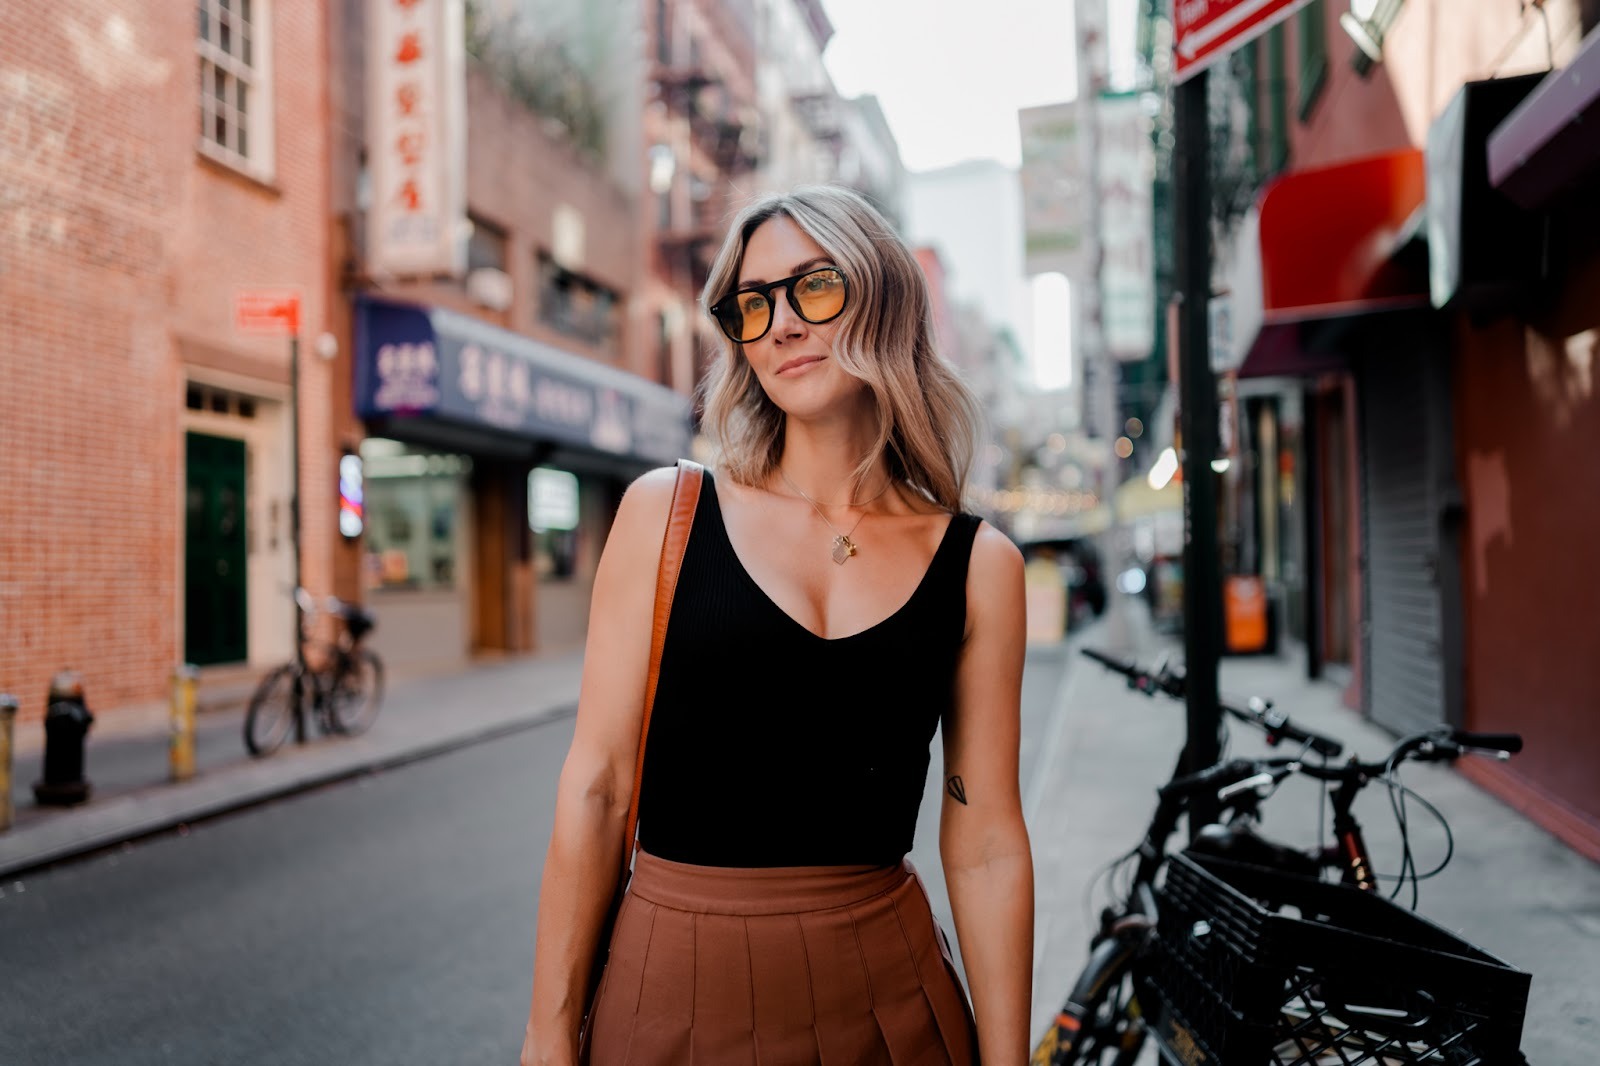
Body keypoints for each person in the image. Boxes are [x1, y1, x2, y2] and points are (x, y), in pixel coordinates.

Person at [520, 185, 1033, 1065]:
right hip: (670, 990)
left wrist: (1009, 1061)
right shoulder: (665, 515)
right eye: (752, 305)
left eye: (813, 287)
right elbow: (598, 787)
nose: (781, 324)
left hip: (893, 1001)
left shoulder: (980, 565)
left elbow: (984, 840)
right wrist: (546, 1036)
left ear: (883, 295)